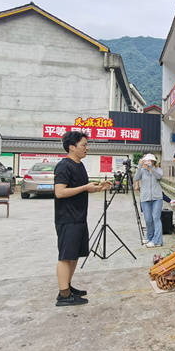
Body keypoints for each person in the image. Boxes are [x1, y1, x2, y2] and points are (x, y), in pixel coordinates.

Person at [53, 131, 111, 306]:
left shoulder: (79, 165)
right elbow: (60, 192)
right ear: (72, 147)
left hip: (79, 217)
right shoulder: (64, 166)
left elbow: (82, 188)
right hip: (67, 218)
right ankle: (63, 295)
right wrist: (85, 187)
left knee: (74, 255)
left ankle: (68, 287)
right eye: (83, 145)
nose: (87, 148)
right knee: (65, 256)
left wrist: (98, 187)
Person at [134, 153, 165, 248]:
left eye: (150, 161)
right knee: (148, 219)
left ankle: (158, 241)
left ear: (153, 162)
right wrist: (139, 166)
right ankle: (150, 238)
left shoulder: (158, 170)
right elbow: (136, 178)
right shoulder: (142, 170)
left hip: (157, 198)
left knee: (156, 218)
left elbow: (159, 176)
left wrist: (151, 168)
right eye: (147, 161)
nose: (148, 162)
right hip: (145, 198)